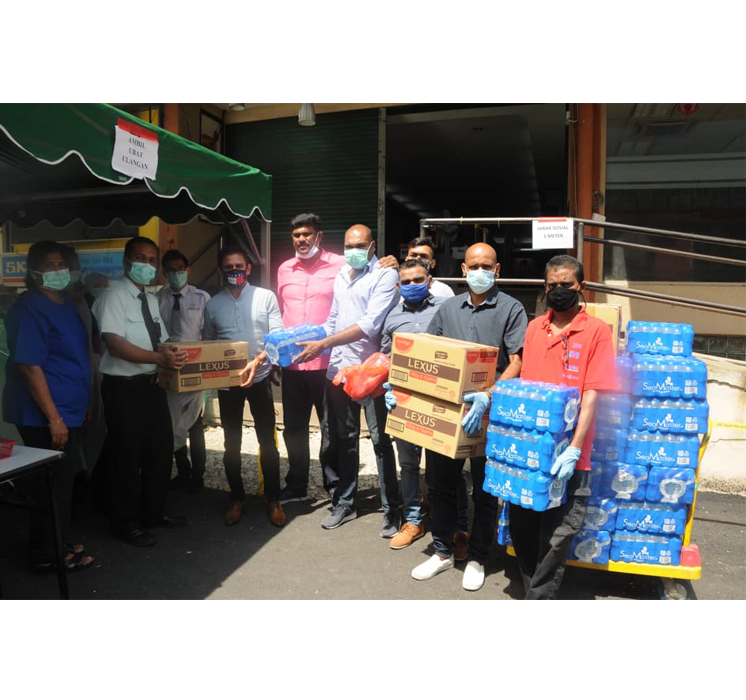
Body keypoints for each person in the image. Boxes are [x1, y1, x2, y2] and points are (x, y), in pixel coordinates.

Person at [391, 242, 528, 591]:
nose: (480, 272)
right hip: (448, 414)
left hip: (489, 413)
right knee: (441, 485)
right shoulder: (449, 308)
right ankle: (442, 551)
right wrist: (401, 391)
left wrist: (489, 394)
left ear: (497, 270)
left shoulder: (511, 309)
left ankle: (478, 556)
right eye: (474, 266)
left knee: (484, 489)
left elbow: (517, 360)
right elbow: (428, 355)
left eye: (487, 266)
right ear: (463, 270)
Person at [509, 254, 616, 600]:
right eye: (552, 284)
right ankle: (535, 593)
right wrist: (491, 393)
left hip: (569, 455)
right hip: (530, 449)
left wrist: (574, 448)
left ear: (580, 286)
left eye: (566, 284)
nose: (559, 290)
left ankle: (538, 600)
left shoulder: (596, 331)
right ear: (544, 287)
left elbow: (592, 394)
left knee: (557, 534)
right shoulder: (534, 328)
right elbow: (523, 384)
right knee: (522, 527)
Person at [293, 224, 400, 536]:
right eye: (349, 245)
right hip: (339, 369)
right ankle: (346, 502)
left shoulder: (384, 274)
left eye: (360, 245)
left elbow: (370, 324)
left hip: (372, 372)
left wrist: (324, 343)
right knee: (344, 438)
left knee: (381, 441)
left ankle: (391, 509)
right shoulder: (342, 274)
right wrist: (306, 339)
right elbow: (333, 321)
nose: (353, 251)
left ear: (372, 246)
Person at [2, 241, 95, 572]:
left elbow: (73, 356)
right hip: (42, 413)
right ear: (33, 270)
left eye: (61, 264)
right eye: (49, 265)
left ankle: (60, 540)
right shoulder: (29, 306)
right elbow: (29, 365)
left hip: (68, 408)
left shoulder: (65, 302)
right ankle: (45, 554)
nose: (57, 270)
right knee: (49, 485)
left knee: (63, 481)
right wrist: (55, 418)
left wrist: (83, 402)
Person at [92, 236, 188, 547]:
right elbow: (115, 344)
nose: (146, 265)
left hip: (152, 385)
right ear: (126, 262)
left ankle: (153, 512)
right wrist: (160, 359)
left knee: (159, 451)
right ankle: (125, 522)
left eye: (151, 260)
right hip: (124, 389)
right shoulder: (113, 297)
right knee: (127, 456)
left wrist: (173, 354)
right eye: (140, 258)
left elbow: (158, 340)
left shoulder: (150, 299)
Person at [380, 258, 470, 551]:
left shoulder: (448, 310)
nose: (412, 286)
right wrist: (388, 387)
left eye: (418, 280)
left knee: (447, 465)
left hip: (440, 400)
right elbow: (386, 358)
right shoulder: (391, 317)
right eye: (406, 282)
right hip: (405, 400)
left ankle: (459, 526)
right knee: (408, 464)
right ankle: (414, 521)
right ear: (398, 286)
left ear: (430, 281)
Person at [202, 246, 286, 528]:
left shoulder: (265, 297)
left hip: (260, 379)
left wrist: (259, 361)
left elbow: (277, 338)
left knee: (267, 442)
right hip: (229, 386)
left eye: (239, 266)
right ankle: (236, 497)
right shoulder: (213, 305)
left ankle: (273, 499)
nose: (234, 271)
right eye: (228, 267)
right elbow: (210, 344)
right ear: (220, 271)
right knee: (231, 444)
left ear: (249, 268)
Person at [275, 213, 344, 503]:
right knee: (293, 427)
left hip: (326, 363)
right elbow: (281, 313)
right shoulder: (284, 269)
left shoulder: (340, 265)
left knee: (329, 428)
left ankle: (334, 484)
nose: (301, 239)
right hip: (292, 364)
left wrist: (386, 262)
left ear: (319, 236)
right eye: (296, 235)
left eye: (307, 234)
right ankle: (296, 483)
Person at [157, 249, 210, 494]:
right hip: (167, 366)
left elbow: (208, 334)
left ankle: (198, 475)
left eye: (179, 269)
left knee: (195, 423)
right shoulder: (158, 298)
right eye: (170, 270)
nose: (175, 273)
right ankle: (182, 470)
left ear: (188, 270)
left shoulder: (201, 297)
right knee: (171, 421)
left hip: (193, 365)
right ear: (164, 272)